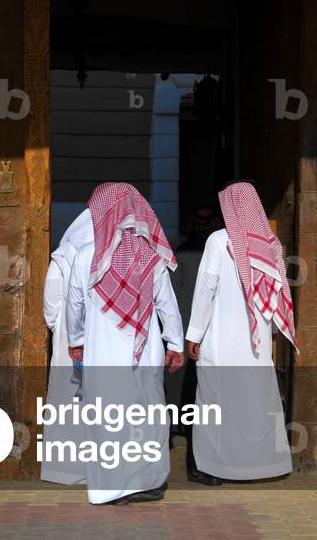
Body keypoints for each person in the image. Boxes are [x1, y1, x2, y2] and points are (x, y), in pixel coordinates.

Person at [65, 182, 184, 505]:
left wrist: (75, 341)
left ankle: (111, 487)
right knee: (146, 415)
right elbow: (167, 305)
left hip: (101, 350)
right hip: (144, 351)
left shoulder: (86, 254)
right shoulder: (150, 253)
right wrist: (175, 343)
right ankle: (148, 482)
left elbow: (73, 305)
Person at [185, 181, 297, 485]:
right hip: (256, 342)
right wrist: (271, 332)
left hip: (222, 341)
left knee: (215, 405)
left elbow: (205, 290)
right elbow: (275, 295)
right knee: (254, 405)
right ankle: (263, 467)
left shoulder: (219, 241)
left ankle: (213, 469)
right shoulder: (270, 243)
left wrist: (194, 333)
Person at [41, 208, 93, 484]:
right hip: (100, 335)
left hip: (68, 337)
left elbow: (52, 301)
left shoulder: (64, 253)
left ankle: (63, 469)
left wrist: (59, 330)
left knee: (67, 400)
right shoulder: (113, 250)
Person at [165, 206, 219, 474]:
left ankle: (182, 424)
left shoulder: (208, 251)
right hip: (195, 325)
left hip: (195, 326)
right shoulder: (184, 253)